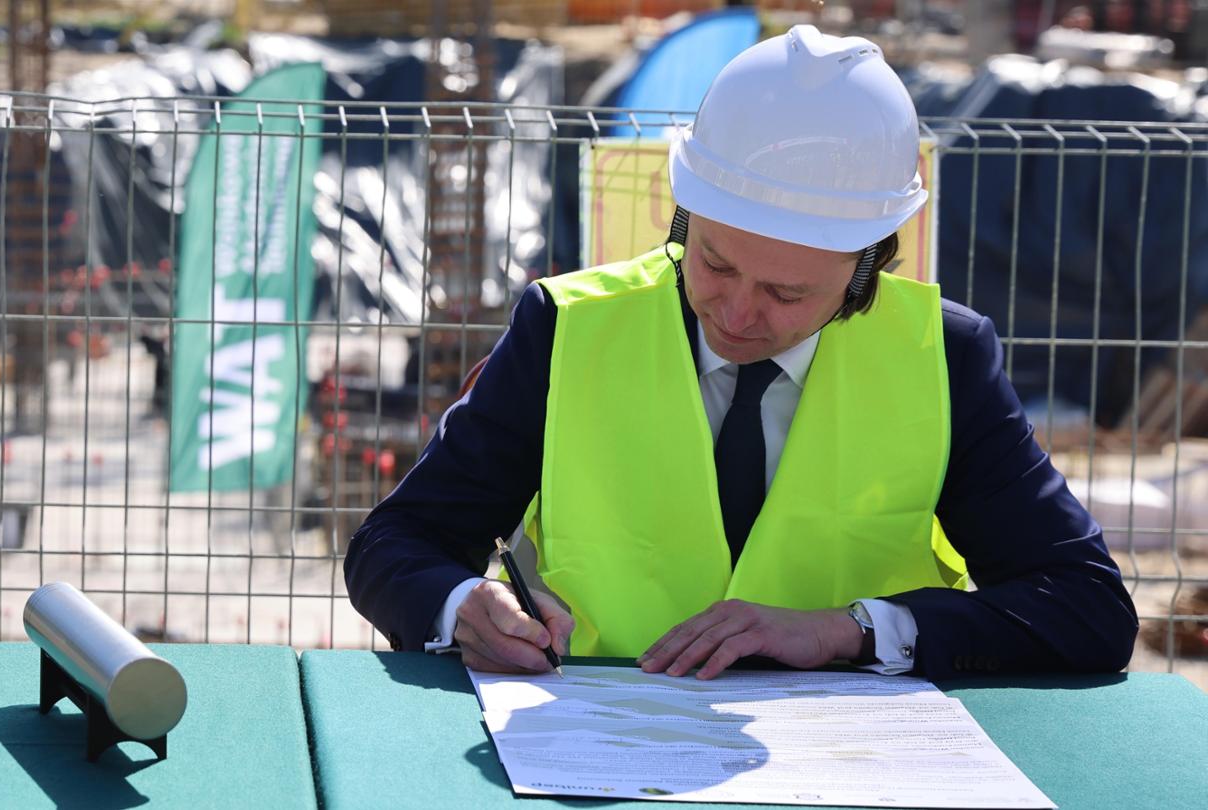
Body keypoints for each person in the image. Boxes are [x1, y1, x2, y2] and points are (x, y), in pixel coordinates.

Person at [343, 26, 1138, 681]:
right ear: (684, 216)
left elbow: (1085, 607)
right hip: (595, 748)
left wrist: (846, 631)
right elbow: (395, 545)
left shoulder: (946, 356)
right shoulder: (565, 327)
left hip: (856, 765)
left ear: (868, 267)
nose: (738, 312)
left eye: (787, 295)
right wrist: (461, 608)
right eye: (716, 264)